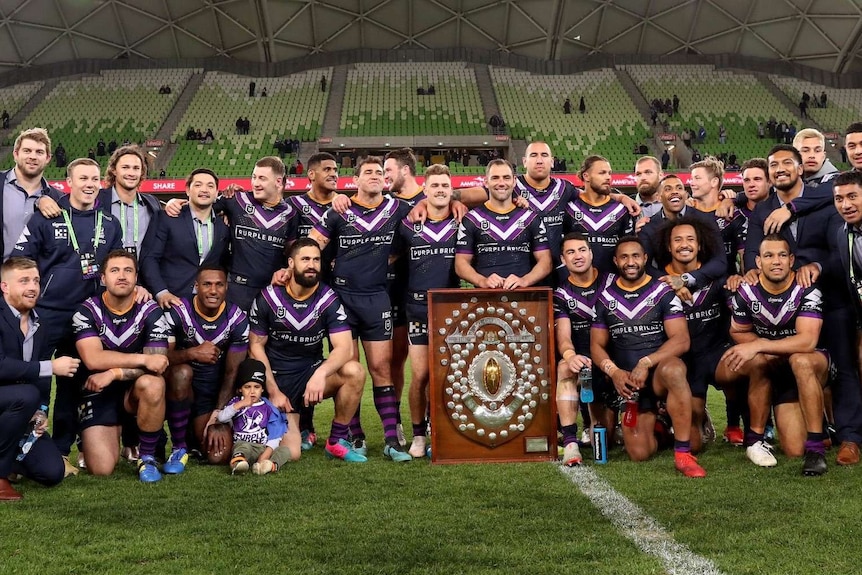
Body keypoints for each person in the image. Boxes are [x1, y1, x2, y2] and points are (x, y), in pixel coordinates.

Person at [742, 144, 861, 465]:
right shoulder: (762, 211)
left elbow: (840, 250)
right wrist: (751, 270)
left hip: (833, 299)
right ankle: (813, 431)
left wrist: (817, 266)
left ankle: (850, 437)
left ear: (800, 168)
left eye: (786, 163)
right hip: (788, 311)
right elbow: (752, 252)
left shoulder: (825, 198)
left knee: (845, 367)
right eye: (773, 165)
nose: (779, 169)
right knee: (797, 364)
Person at [13, 158, 123, 470]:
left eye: (94, 178)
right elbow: (21, 259)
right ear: (69, 181)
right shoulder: (47, 216)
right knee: (37, 380)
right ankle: (23, 450)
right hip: (47, 314)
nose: (89, 184)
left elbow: (116, 266)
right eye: (83, 178)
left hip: (88, 317)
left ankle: (61, 451)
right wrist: (32, 295)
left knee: (73, 384)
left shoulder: (110, 223)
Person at [306, 157, 413, 460]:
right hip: (342, 298)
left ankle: (392, 440)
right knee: (349, 370)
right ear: (355, 180)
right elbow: (314, 245)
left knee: (381, 369)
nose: (375, 176)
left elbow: (426, 211)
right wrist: (291, 268)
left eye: (380, 172)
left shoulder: (396, 209)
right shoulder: (338, 210)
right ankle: (356, 437)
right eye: (368, 172)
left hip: (377, 297)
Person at [591, 236, 705, 477]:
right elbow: (597, 346)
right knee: (638, 453)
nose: (630, 262)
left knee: (674, 371)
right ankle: (662, 425)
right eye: (624, 257)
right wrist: (614, 372)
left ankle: (684, 453)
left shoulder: (663, 292)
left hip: (659, 374)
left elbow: (681, 340)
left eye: (635, 256)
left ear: (644, 258)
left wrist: (646, 362)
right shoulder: (605, 298)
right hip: (631, 384)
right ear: (615, 261)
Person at [716, 235, 828, 475]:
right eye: (768, 255)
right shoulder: (747, 292)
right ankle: (761, 438)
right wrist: (761, 349)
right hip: (776, 366)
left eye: (782, 255)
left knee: (800, 360)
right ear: (758, 261)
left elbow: (808, 341)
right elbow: (738, 330)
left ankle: (817, 449)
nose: (776, 261)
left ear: (791, 260)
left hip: (812, 361)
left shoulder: (806, 288)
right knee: (793, 449)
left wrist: (760, 345)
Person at [250, 238, 367, 463]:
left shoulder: (328, 298)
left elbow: (344, 347)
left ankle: (336, 441)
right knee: (292, 453)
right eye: (305, 259)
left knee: (354, 370)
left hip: (310, 373)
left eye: (316, 259)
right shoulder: (269, 297)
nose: (311, 264)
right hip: (278, 377)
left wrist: (320, 374)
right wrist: (273, 390)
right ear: (291, 263)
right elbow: (255, 347)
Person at [72, 249, 170, 482]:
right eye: (114, 270)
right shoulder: (86, 311)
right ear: (103, 278)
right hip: (98, 391)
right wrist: (142, 358)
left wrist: (115, 373)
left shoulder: (151, 310)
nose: (122, 276)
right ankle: (94, 434)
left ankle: (146, 458)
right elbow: (93, 359)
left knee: (153, 384)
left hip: (132, 392)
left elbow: (158, 365)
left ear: (137, 277)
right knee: (102, 468)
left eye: (128, 270)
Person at [0, 257, 79, 500]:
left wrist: (41, 411)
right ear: (4, 286)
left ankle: (10, 456)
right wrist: (50, 366)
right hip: (13, 400)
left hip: (16, 411)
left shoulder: (40, 323)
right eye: (24, 281)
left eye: (35, 280)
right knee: (26, 395)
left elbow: (41, 380)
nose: (32, 287)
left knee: (52, 472)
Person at [396, 164, 459, 458]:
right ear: (425, 189)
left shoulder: (462, 221)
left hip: (452, 312)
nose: (440, 190)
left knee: (447, 375)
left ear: (451, 188)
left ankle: (443, 429)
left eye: (445, 185)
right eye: (434, 186)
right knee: (420, 375)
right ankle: (418, 434)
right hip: (417, 309)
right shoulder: (408, 223)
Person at [655, 218, 730, 450]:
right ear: (669, 247)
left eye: (690, 240)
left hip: (715, 354)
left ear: (699, 245)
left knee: (750, 366)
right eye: (677, 240)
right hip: (684, 360)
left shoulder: (715, 277)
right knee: (694, 445)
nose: (684, 245)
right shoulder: (658, 282)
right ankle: (681, 414)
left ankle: (748, 429)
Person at [164, 265, 248, 470]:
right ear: (196, 286)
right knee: (181, 373)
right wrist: (192, 353)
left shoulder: (237, 318)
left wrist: (219, 416)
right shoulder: (178, 312)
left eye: (219, 285)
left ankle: (194, 437)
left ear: (226, 287)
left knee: (216, 456)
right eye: (207, 284)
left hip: (211, 397)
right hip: (177, 390)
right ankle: (178, 446)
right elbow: (160, 359)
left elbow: (232, 373)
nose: (213, 290)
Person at [554, 233, 612, 466]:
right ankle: (570, 442)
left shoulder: (611, 283)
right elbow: (564, 338)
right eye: (571, 252)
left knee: (610, 437)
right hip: (583, 361)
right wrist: (570, 356)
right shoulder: (561, 294)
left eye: (581, 250)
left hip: (613, 360)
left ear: (591, 253)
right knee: (564, 367)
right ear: (563, 259)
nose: (577, 256)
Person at [455, 159, 552, 289]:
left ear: (514, 181)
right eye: (495, 178)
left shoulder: (530, 217)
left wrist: (524, 280)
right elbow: (461, 263)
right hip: (485, 299)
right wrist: (482, 281)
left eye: (506, 178)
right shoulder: (472, 219)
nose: (501, 183)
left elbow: (545, 261)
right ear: (486, 182)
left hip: (525, 298)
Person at [141, 168, 229, 307]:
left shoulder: (223, 227)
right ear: (188, 190)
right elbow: (149, 258)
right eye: (198, 185)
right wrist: (161, 292)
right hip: (170, 300)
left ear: (217, 193)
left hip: (204, 305)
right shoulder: (167, 218)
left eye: (210, 186)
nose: (204, 190)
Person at [637, 175, 727, 294]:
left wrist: (685, 279)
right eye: (668, 189)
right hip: (665, 291)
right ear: (658, 197)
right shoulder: (648, 228)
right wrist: (671, 284)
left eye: (679, 188)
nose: (675, 192)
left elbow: (720, 261)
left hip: (705, 289)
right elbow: (645, 266)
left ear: (685, 194)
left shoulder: (706, 221)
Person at [216, 358, 288, 475]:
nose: (252, 391)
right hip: (243, 444)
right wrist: (239, 405)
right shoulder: (236, 402)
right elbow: (221, 418)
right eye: (247, 387)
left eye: (257, 387)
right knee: (243, 447)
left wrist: (265, 454)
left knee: (284, 450)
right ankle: (238, 463)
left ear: (262, 388)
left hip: (261, 447)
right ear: (240, 389)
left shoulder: (267, 406)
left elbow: (275, 435)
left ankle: (269, 465)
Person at [563, 155, 634, 274]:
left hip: (614, 283)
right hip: (578, 282)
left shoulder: (621, 210)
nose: (608, 177)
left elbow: (628, 247)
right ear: (586, 176)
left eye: (609, 173)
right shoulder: (569, 209)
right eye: (602, 173)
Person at [1, 127, 62, 261]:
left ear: (48, 158)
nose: (33, 157)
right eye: (27, 151)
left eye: (39, 152)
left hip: (35, 278)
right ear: (16, 154)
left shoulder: (59, 199)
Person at [98, 146, 161, 260]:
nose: (131, 173)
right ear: (114, 170)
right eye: (125, 167)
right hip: (105, 274)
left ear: (142, 172)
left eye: (136, 168)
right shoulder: (96, 200)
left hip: (142, 274)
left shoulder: (152, 204)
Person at [689, 157, 746, 275]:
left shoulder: (732, 213)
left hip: (727, 284)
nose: (691, 183)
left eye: (697, 178)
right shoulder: (686, 213)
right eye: (691, 179)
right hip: (692, 283)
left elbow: (743, 254)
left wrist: (741, 278)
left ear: (714, 182)